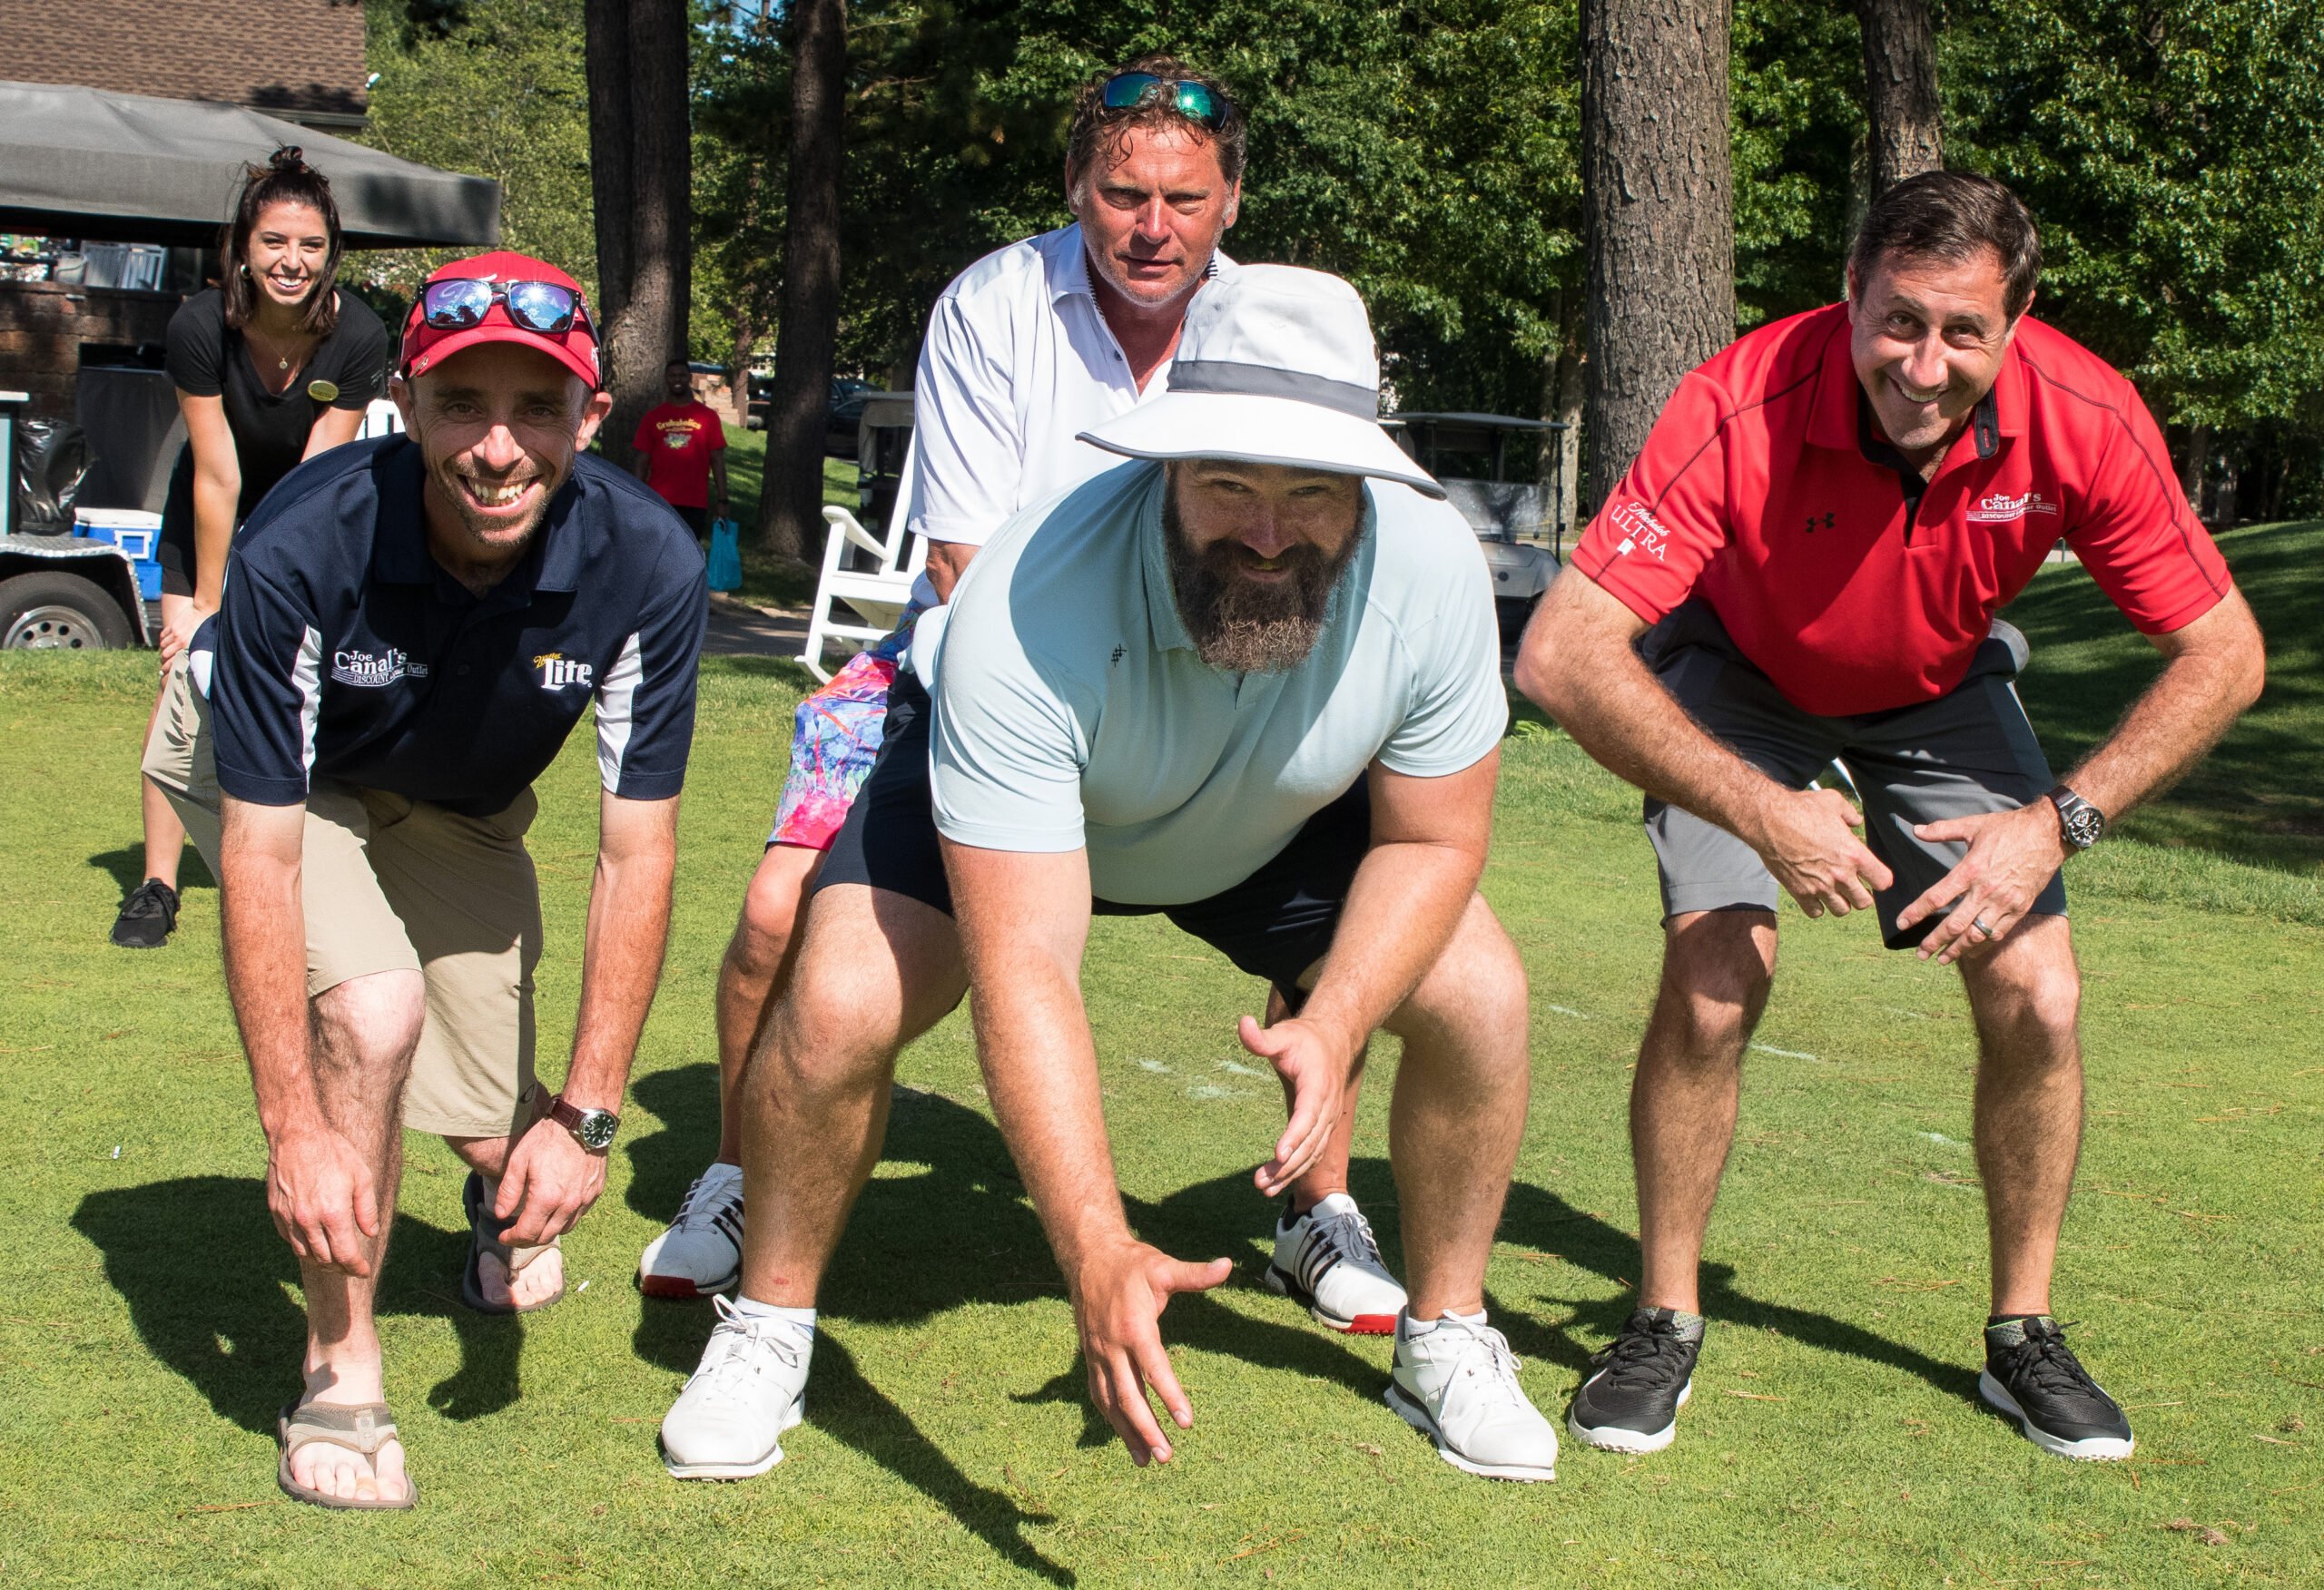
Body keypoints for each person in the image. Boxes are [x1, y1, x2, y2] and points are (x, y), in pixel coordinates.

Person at [657, 265, 1561, 1485]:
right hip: (1041, 815)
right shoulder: (1030, 599)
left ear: (1364, 484)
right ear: (1165, 470)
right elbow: (1025, 963)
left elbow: (1433, 841)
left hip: (1274, 822)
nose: (1265, 530)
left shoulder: (1439, 572)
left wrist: (1337, 1016)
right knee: (834, 1004)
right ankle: (770, 1320)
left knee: (1482, 996)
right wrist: (1093, 1243)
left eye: (1309, 492)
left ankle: (1446, 1333)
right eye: (1228, 483)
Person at [642, 58, 1407, 1343]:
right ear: (1075, 186)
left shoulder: (1267, 323)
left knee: (1354, 931)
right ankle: (737, 1171)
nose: (1150, 227)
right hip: (987, 684)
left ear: (1232, 201)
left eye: (1183, 197)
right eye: (1121, 194)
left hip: (1216, 699)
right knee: (781, 914)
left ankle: (1312, 1211)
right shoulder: (992, 302)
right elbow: (963, 568)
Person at [1514, 172, 2265, 1463]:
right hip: (1737, 677)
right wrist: (1765, 810)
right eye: (1898, 322)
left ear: (2019, 320)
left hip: (1941, 688)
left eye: (1964, 331)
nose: (1923, 366)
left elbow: (2227, 656)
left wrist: (2059, 822)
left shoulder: (2086, 414)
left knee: (2042, 992)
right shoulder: (1739, 397)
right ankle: (1664, 1319)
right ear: (1851, 294)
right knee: (1716, 971)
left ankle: (2021, 1336)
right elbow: (1562, 654)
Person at [139, 250, 707, 1508]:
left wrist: (591, 1119)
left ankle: (485, 1199)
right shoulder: (307, 540)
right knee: (373, 1014)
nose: (496, 449)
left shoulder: (648, 564)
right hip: (284, 780)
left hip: (463, 796)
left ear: (590, 417)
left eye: (535, 409)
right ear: (406, 399)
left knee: (512, 1135)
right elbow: (266, 848)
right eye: (461, 405)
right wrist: (291, 1130)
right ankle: (340, 1368)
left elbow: (638, 849)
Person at [109, 147, 389, 949]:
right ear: (242, 247)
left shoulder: (360, 335)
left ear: (331, 253)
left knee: (298, 688)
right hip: (205, 516)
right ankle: (158, 886)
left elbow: (316, 479)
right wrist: (206, 610)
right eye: (273, 242)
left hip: (309, 521)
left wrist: (259, 599)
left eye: (309, 246)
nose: (291, 262)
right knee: (183, 687)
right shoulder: (200, 326)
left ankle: (283, 862)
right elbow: (217, 474)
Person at [632, 356, 729, 538]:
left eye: (682, 375)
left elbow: (717, 460)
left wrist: (723, 500)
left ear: (690, 378)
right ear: (666, 379)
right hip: (660, 499)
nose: (677, 379)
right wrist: (636, 495)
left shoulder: (707, 417)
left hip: (695, 500)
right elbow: (642, 461)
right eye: (672, 376)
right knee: (659, 553)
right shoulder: (652, 418)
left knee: (689, 556)